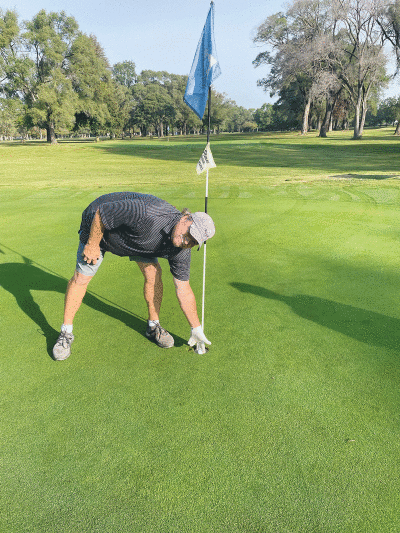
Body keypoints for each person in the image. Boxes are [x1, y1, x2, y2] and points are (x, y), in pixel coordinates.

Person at [52, 192, 215, 360]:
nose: (187, 241)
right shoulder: (148, 212)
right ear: (185, 218)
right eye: (189, 234)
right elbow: (102, 212)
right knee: (81, 278)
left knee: (153, 273)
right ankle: (66, 332)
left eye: (193, 242)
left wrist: (195, 328)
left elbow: (183, 289)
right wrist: (93, 244)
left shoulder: (181, 250)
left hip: (137, 240)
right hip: (99, 227)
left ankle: (153, 326)